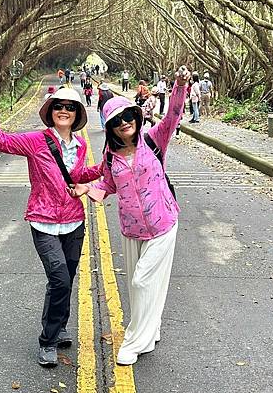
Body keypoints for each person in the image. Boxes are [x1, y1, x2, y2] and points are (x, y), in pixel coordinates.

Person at [0, 82, 102, 368]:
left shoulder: (80, 146)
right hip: (43, 221)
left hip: (74, 222)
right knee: (59, 279)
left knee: (65, 279)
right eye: (58, 106)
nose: (63, 111)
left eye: (69, 107)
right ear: (50, 111)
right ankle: (48, 341)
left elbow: (78, 174)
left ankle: (59, 326)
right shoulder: (36, 140)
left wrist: (103, 168)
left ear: (76, 114)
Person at [71, 66, 190, 366]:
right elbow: (108, 186)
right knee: (138, 287)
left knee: (141, 281)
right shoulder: (111, 157)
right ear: (110, 127)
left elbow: (174, 114)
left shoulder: (153, 140)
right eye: (116, 121)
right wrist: (85, 189)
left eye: (128, 117)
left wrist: (179, 84)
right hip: (131, 229)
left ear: (135, 117)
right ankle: (152, 329)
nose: (124, 123)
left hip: (163, 223)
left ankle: (135, 342)